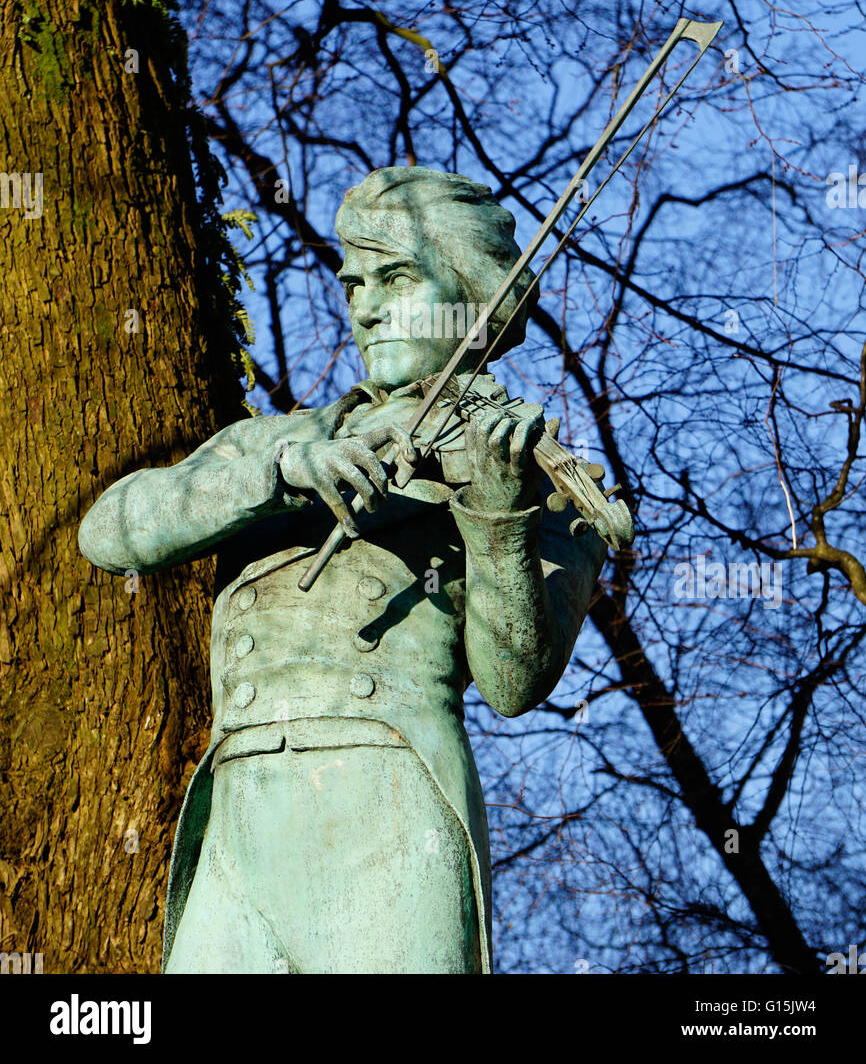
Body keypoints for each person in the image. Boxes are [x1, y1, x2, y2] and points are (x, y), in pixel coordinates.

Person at [78, 166, 607, 973]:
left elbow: (513, 682)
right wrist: (282, 472)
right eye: (355, 281)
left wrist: (498, 521)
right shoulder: (281, 439)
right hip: (235, 815)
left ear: (474, 293)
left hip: (386, 801)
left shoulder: (534, 474)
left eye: (396, 275)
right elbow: (110, 532)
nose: (364, 304)